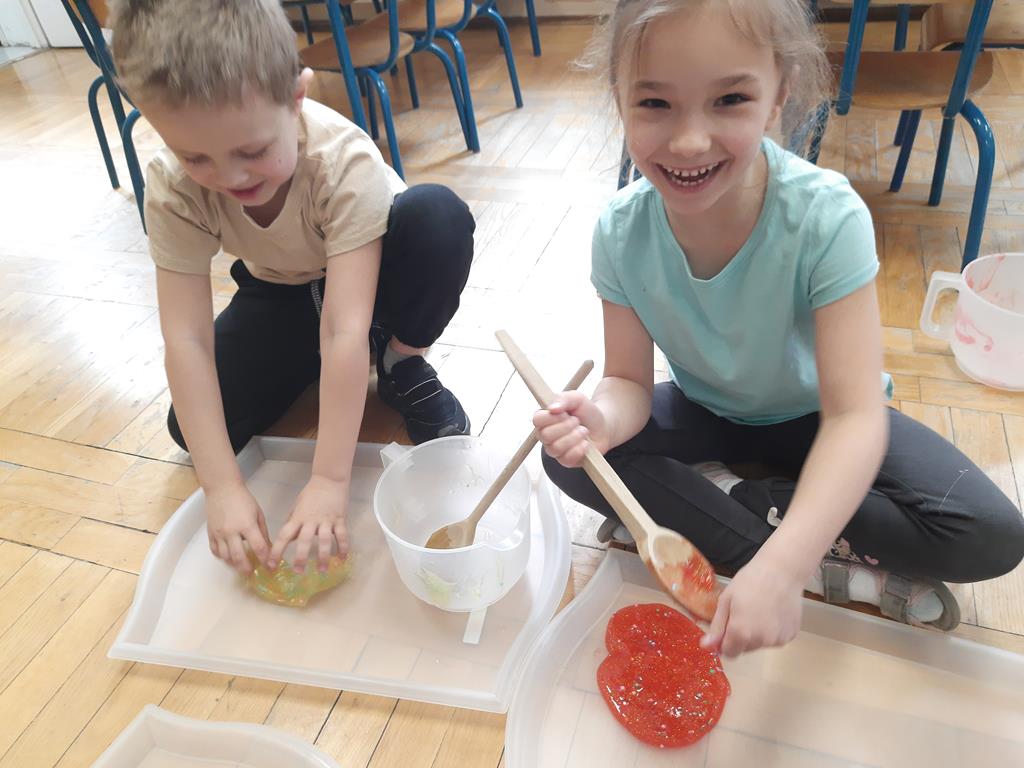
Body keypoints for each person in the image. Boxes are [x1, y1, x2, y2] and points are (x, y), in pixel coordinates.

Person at [533, 0, 1024, 657]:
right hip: (707, 408)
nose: (689, 141)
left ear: (778, 97)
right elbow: (627, 381)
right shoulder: (619, 231)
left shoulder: (826, 218)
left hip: (820, 417)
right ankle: (799, 544)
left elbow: (854, 419)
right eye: (654, 103)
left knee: (990, 533)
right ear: (619, 100)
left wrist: (784, 566)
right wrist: (602, 419)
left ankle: (744, 506)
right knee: (568, 459)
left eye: (730, 99)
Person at [110, 0, 474, 576]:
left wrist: (329, 481)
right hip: (282, 287)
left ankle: (400, 360)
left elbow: (343, 327)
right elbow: (186, 339)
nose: (230, 177)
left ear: (297, 96)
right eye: (195, 156)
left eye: (253, 151)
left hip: (373, 280)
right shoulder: (172, 186)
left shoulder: (342, 161)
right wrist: (221, 487)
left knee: (437, 217)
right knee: (194, 430)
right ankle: (319, 365)